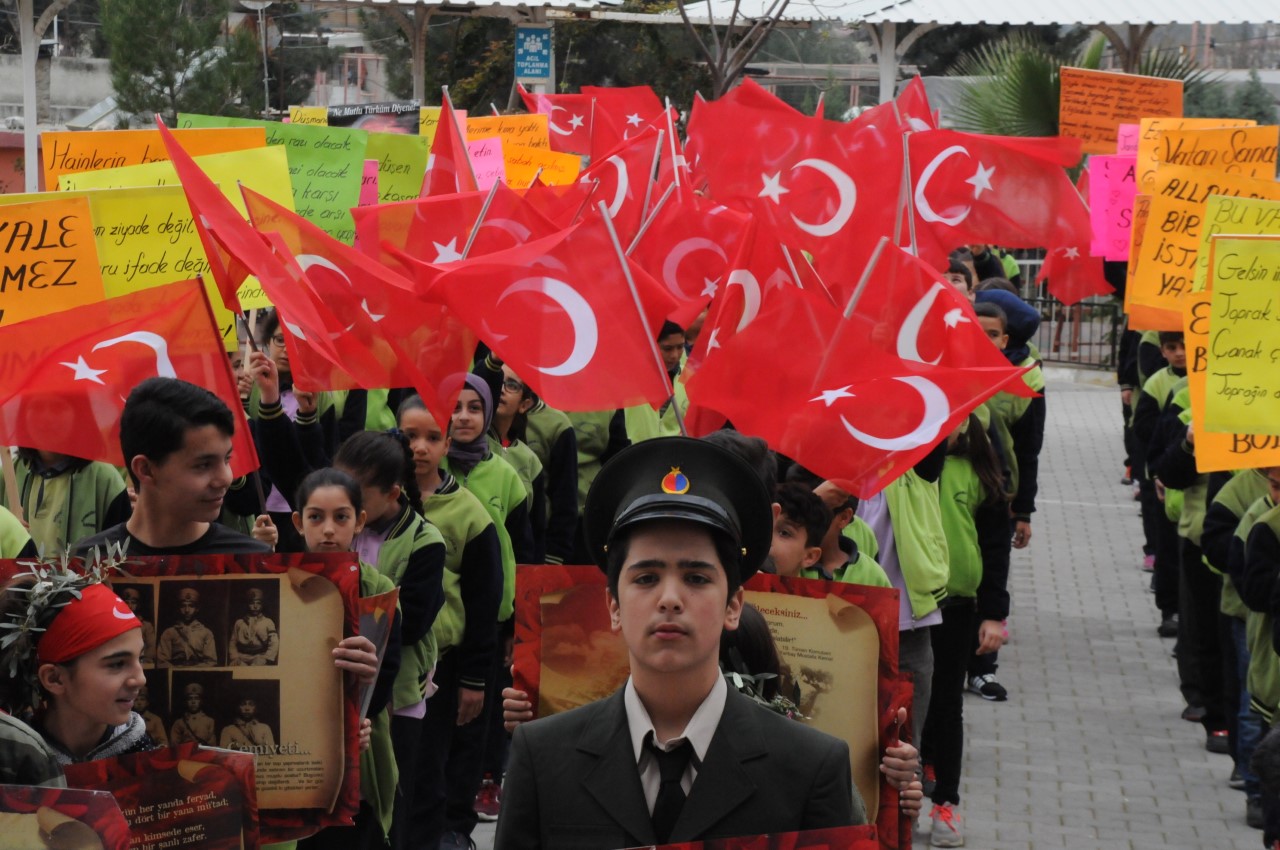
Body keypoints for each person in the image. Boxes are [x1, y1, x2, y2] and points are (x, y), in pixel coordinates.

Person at [495, 437, 866, 848]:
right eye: (646, 578)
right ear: (613, 606)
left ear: (733, 605)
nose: (670, 598)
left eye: (696, 578)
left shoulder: (809, 767)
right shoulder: (544, 757)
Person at [396, 395, 503, 850]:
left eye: (432, 437)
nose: (420, 447)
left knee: (439, 761)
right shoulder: (378, 504)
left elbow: (483, 603)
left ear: (447, 445)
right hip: (389, 661)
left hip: (445, 662)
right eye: (409, 436)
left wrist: (475, 679)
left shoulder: (470, 514)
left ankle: (450, 833)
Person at [291, 467, 403, 850]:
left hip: (361, 747)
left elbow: (386, 674)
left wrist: (362, 713)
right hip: (294, 756)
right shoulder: (278, 581)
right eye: (315, 517)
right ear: (298, 522)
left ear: (359, 521)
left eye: (341, 517)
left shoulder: (378, 589)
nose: (328, 530)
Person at [921, 414, 1011, 848]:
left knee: (946, 701)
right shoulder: (905, 466)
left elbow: (995, 551)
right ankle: (904, 790)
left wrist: (993, 615)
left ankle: (946, 802)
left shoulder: (979, 473)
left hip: (956, 605)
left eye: (954, 418)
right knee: (903, 699)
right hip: (907, 603)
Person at [72, 377, 273, 557]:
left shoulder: (250, 562)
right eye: (203, 465)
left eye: (227, 459)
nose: (225, 478)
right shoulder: (86, 566)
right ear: (145, 469)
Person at [0, 567, 151, 765]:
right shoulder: (13, 763)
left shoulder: (145, 757)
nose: (140, 679)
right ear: (54, 678)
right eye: (117, 664)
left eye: (140, 658)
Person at [1132, 331, 1188, 639]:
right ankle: (1170, 610)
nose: (1180, 353)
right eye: (1172, 347)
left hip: (1197, 481)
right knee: (1167, 547)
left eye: (1185, 347)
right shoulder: (1158, 383)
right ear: (1163, 351)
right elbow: (1144, 427)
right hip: (1166, 477)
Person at [0, 449, 130, 557]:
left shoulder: (105, 480)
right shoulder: (7, 474)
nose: (46, 426)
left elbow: (121, 554)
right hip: (19, 579)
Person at [157, 587, 218, 668]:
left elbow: (211, 662)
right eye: (183, 606)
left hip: (198, 673)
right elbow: (161, 662)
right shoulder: (169, 633)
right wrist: (177, 670)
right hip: (175, 672)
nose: (187, 610)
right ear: (178, 608)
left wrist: (192, 669)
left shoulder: (206, 633)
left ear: (197, 609)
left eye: (191, 606)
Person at [228, 588, 280, 666]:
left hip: (260, 656)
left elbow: (274, 642)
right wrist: (235, 657)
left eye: (258, 603)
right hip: (241, 656)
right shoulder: (239, 623)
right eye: (252, 603)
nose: (255, 606)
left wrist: (266, 657)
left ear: (262, 605)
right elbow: (233, 642)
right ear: (247, 604)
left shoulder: (268, 622)